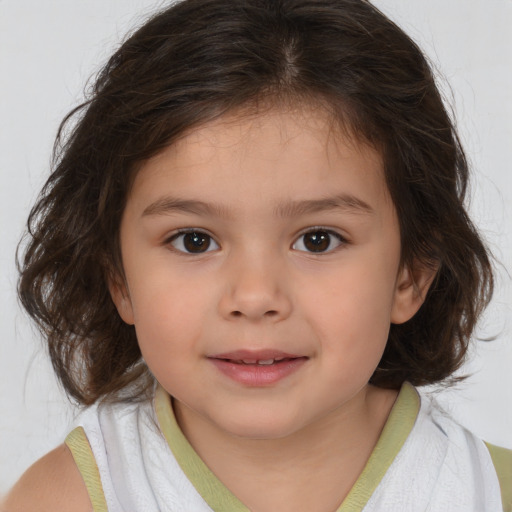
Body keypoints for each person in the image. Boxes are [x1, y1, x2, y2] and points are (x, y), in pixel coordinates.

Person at [3, 0, 511, 510]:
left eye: (318, 239)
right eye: (194, 240)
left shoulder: (486, 490)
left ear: (411, 275)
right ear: (119, 279)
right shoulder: (62, 499)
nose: (254, 297)